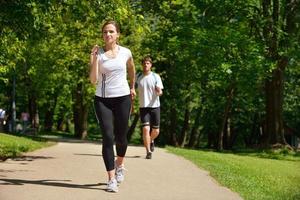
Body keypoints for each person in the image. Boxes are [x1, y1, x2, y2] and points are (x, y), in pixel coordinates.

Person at [89, 20, 136, 193]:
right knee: (108, 137)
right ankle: (111, 179)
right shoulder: (98, 53)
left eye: (111, 32)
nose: (107, 35)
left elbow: (131, 69)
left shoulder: (126, 52)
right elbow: (93, 80)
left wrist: (132, 86)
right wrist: (93, 59)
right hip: (103, 100)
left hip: (123, 98)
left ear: (117, 34)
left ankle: (120, 165)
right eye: (104, 32)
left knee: (121, 136)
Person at [136, 56, 163, 159]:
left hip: (155, 106)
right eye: (144, 63)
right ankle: (148, 152)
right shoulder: (138, 76)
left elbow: (160, 91)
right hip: (143, 107)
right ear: (142, 64)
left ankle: (151, 140)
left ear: (151, 65)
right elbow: (132, 89)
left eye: (148, 63)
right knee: (146, 129)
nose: (146, 65)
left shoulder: (156, 77)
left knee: (156, 131)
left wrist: (159, 92)